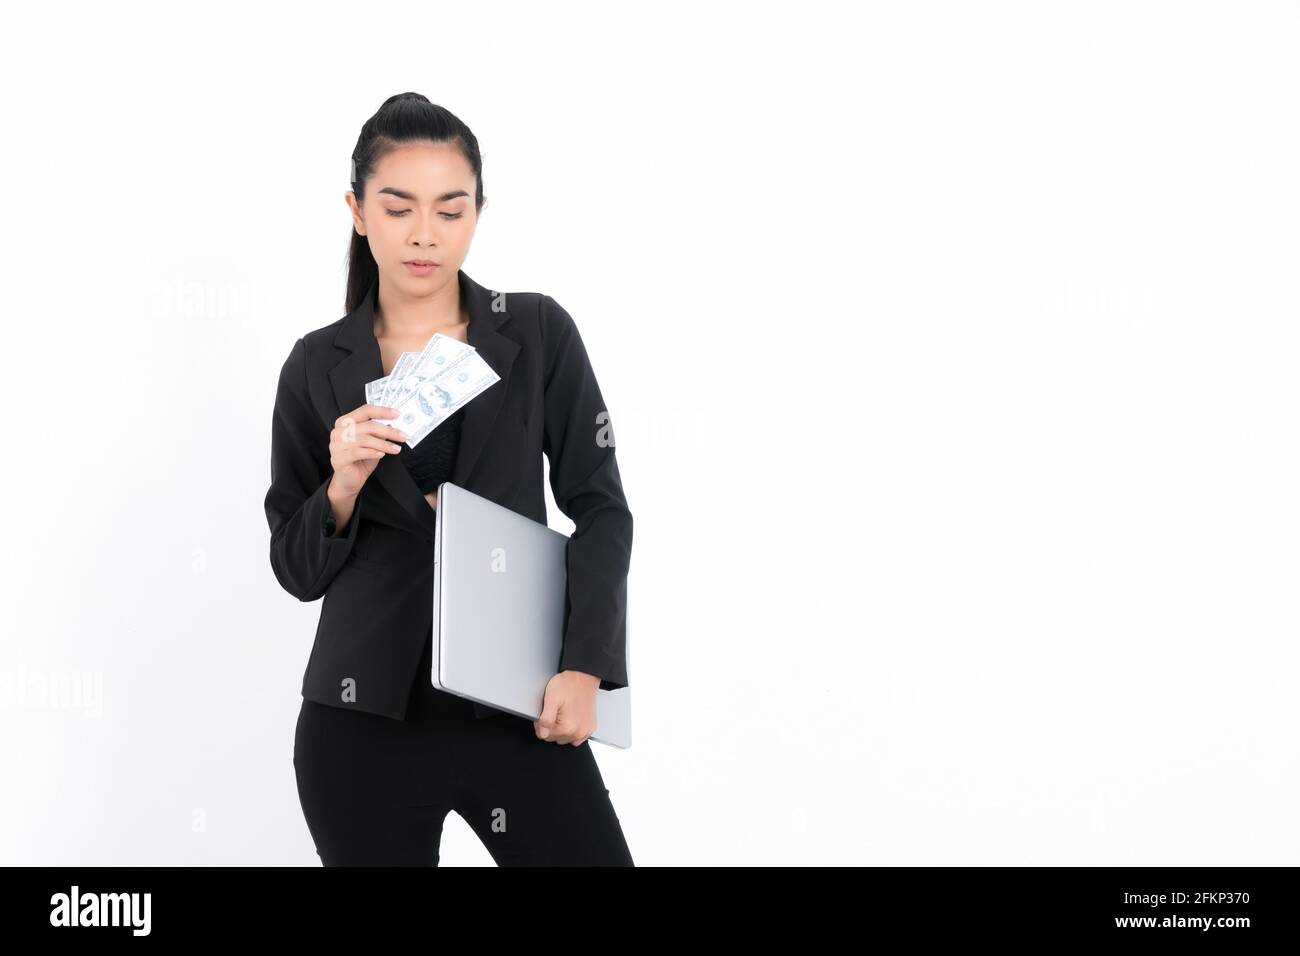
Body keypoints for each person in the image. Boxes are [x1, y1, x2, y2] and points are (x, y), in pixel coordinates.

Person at [264, 92, 634, 865]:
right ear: (358, 212)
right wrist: (340, 485)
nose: (425, 234)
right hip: (360, 726)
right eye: (398, 208)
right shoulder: (315, 364)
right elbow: (295, 571)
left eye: (450, 209)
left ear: (478, 212)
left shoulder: (533, 331)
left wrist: (586, 666)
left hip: (518, 707)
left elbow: (601, 508)